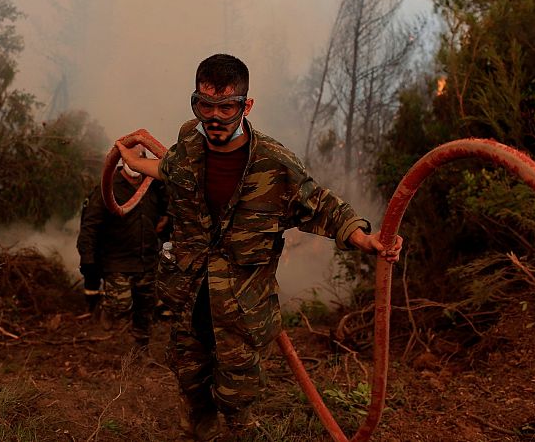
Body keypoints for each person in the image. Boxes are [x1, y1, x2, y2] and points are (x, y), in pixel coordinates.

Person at [116, 53, 403, 441]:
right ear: (195, 102)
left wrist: (365, 238)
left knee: (237, 397)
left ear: (246, 105)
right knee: (190, 381)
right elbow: (171, 169)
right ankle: (195, 431)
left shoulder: (274, 163)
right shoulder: (188, 142)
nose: (214, 117)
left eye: (227, 106)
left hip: (241, 311)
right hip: (189, 301)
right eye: (205, 104)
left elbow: (323, 206)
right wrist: (137, 163)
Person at [76, 147, 169, 347]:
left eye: (140, 157)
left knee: (146, 308)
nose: (135, 162)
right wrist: (88, 260)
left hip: (147, 260)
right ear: (122, 160)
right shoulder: (107, 187)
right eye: (131, 157)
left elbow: (170, 212)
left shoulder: (155, 186)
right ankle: (107, 310)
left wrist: (167, 221)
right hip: (117, 260)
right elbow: (89, 227)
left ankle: (140, 350)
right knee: (120, 303)